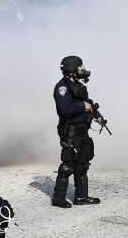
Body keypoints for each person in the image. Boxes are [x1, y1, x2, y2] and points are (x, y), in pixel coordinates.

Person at [51, 55, 105, 208]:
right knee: (68, 164)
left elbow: (87, 103)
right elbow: (64, 109)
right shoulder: (62, 88)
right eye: (79, 67)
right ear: (71, 70)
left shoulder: (78, 86)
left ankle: (81, 197)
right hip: (70, 131)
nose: (82, 70)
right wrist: (84, 107)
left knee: (82, 163)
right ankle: (58, 199)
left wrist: (95, 115)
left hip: (82, 130)